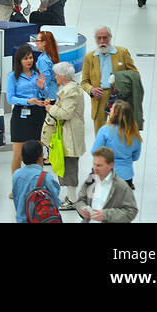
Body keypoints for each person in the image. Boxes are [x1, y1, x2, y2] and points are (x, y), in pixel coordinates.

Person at [42, 60, 85, 209]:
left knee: (69, 167)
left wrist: (50, 109)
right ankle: (71, 196)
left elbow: (66, 113)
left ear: (63, 76)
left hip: (70, 135)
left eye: (56, 74)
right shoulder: (70, 89)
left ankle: (73, 200)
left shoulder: (71, 90)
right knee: (65, 165)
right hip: (68, 133)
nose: (55, 76)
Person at [81, 25, 139, 132]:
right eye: (99, 38)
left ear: (110, 38)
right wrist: (91, 90)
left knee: (120, 131)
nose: (102, 41)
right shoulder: (89, 57)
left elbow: (134, 74)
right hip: (99, 99)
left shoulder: (122, 53)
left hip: (119, 98)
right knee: (100, 134)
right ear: (95, 39)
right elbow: (84, 82)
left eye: (105, 37)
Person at [7, 44, 49, 175]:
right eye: (25, 58)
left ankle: (38, 184)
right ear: (19, 60)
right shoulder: (13, 77)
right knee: (18, 154)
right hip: (21, 115)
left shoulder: (38, 74)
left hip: (37, 114)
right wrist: (27, 101)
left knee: (38, 153)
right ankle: (16, 186)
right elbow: (10, 98)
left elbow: (45, 95)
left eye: (30, 57)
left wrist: (42, 88)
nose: (29, 61)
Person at [75, 148, 139, 223]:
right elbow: (80, 201)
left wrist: (106, 214)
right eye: (94, 164)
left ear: (111, 165)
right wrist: (82, 208)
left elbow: (131, 211)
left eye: (99, 165)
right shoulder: (90, 181)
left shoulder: (121, 186)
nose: (95, 168)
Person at [92, 99, 142, 191]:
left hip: (106, 174)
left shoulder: (105, 130)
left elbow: (95, 152)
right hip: (126, 176)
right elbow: (135, 157)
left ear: (114, 114)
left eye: (112, 109)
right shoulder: (135, 134)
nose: (110, 110)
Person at [11, 139, 60, 222]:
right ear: (41, 157)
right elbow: (55, 201)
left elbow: (16, 198)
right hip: (41, 218)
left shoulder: (16, 175)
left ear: (22, 157)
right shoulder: (46, 177)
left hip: (22, 218)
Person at [33, 30, 60, 103]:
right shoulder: (51, 55)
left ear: (44, 43)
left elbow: (44, 81)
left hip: (46, 98)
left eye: (37, 41)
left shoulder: (43, 60)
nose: (35, 43)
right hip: (52, 95)